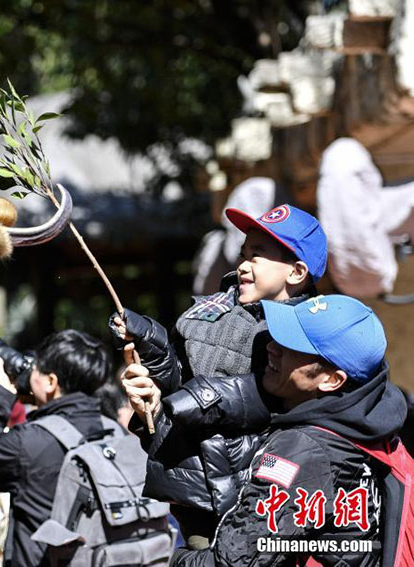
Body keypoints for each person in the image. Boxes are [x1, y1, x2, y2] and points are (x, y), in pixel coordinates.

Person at [125, 295, 407, 566]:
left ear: (332, 380)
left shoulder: (300, 452)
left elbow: (234, 560)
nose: (272, 347)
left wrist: (174, 560)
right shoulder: (373, 429)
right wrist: (157, 414)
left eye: (293, 347)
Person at [110, 203, 328, 546]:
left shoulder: (310, 333)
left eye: (257, 256)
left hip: (259, 493)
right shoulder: (210, 311)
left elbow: (268, 396)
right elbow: (177, 381)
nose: (242, 265)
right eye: (243, 254)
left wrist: (192, 401)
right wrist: (152, 349)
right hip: (195, 488)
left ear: (297, 272)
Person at [0, 329, 112, 567]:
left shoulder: (31, 442)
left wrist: (0, 396)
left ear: (51, 382)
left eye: (36, 368)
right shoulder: (113, 431)